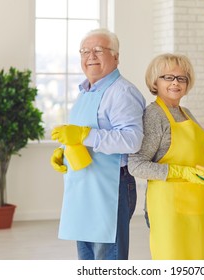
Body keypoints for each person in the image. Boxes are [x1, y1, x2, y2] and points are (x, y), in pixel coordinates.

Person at [50, 28, 146, 260]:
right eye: (85, 51)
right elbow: (80, 139)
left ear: (116, 56)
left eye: (98, 50)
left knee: (106, 259)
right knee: (87, 258)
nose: (90, 56)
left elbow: (132, 140)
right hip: (83, 187)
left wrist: (84, 134)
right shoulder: (86, 91)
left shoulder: (122, 92)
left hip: (110, 187)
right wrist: (63, 151)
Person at [128, 53, 204, 260]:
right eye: (168, 77)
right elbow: (136, 164)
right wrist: (179, 172)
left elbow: (194, 156)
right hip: (168, 208)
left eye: (181, 78)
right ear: (155, 80)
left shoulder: (186, 112)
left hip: (196, 202)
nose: (175, 83)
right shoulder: (154, 115)